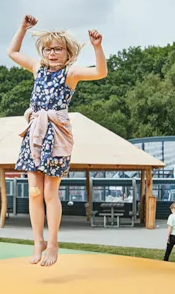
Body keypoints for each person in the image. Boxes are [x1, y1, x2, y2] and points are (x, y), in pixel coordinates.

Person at [8, 14, 108, 267]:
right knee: (34, 192)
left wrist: (97, 47)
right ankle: (37, 241)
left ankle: (53, 243)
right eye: (48, 49)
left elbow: (100, 72)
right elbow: (12, 52)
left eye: (58, 50)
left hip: (56, 134)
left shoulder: (70, 73)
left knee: (50, 192)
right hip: (34, 133)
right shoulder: (37, 69)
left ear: (67, 53)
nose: (52, 53)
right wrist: (22, 28)